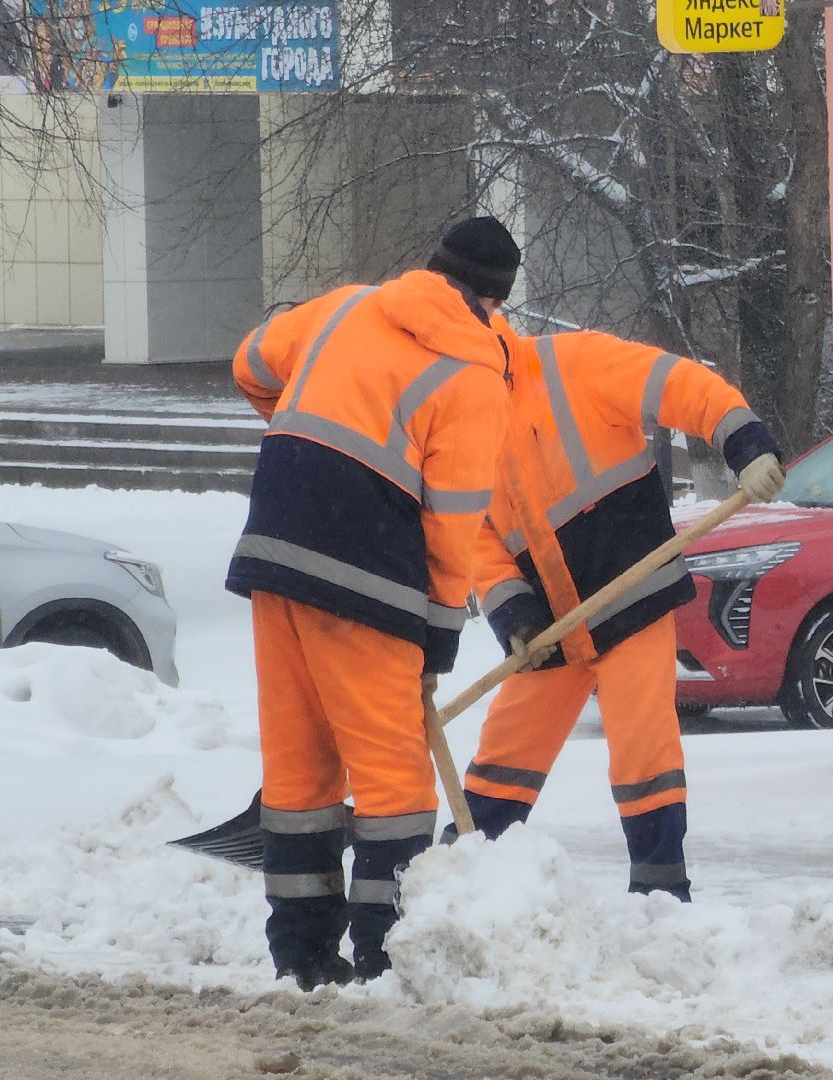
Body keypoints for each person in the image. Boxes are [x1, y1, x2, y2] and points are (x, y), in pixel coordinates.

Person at [226, 217, 520, 987]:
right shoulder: (475, 377)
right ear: (493, 304)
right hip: (367, 577)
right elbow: (453, 525)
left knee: (299, 772)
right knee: (394, 782)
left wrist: (311, 444)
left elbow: (249, 363)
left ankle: (301, 958)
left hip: (274, 549)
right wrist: (440, 637)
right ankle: (387, 960)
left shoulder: (350, 306)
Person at [448, 324, 785, 900]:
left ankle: (659, 899)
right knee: (504, 754)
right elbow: (476, 534)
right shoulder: (456, 424)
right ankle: (458, 889)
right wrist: (514, 614)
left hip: (632, 601)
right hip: (549, 627)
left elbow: (681, 384)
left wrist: (745, 444)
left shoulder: (572, 363)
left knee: (642, 751)